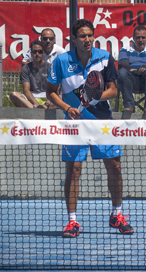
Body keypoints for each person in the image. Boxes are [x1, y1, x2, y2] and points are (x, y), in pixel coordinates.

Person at [46, 19, 133, 238]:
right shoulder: (61, 61)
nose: (87, 39)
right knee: (74, 170)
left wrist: (91, 97)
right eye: (82, 36)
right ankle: (72, 221)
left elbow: (114, 91)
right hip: (74, 125)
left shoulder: (104, 58)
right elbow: (51, 92)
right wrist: (67, 107)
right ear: (73, 38)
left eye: (90, 35)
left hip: (102, 122)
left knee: (115, 166)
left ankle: (117, 214)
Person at [118, 26, 146, 119]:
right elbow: (123, 62)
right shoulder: (125, 49)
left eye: (143, 37)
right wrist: (132, 69)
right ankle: (129, 105)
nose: (140, 40)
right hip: (130, 80)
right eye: (138, 37)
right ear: (133, 38)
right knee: (122, 72)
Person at [9, 40, 56, 109]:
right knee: (13, 95)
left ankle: (39, 109)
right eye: (34, 52)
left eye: (39, 51)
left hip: (48, 97)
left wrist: (47, 104)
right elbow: (26, 90)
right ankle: (35, 110)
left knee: (64, 98)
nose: (37, 54)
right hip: (31, 98)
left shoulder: (50, 67)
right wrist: (35, 103)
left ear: (43, 53)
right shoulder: (26, 68)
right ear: (31, 53)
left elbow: (53, 89)